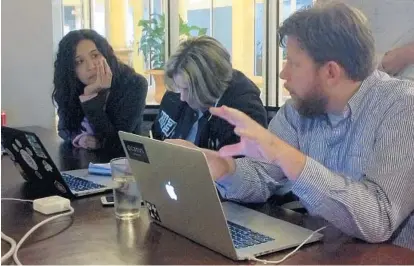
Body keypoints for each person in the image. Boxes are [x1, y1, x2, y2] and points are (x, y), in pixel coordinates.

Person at [168, 3, 414, 250]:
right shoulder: (298, 111)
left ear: (330, 72)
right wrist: (225, 169)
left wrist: (287, 157)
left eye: (292, 63)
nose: (283, 73)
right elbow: (261, 176)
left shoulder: (402, 107)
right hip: (325, 250)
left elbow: (379, 218)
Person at [151, 36, 267, 151]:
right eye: (179, 88)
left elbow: (245, 166)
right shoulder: (175, 92)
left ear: (209, 85)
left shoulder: (243, 111)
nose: (182, 97)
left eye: (187, 90)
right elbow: (155, 137)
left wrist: (198, 156)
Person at [52, 29, 148, 151]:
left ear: (106, 55)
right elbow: (64, 129)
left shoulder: (134, 84)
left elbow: (117, 144)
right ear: (71, 70)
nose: (91, 66)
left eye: (95, 55)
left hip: (122, 163)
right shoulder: (72, 86)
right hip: (83, 161)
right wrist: (79, 138)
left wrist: (90, 97)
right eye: (79, 62)